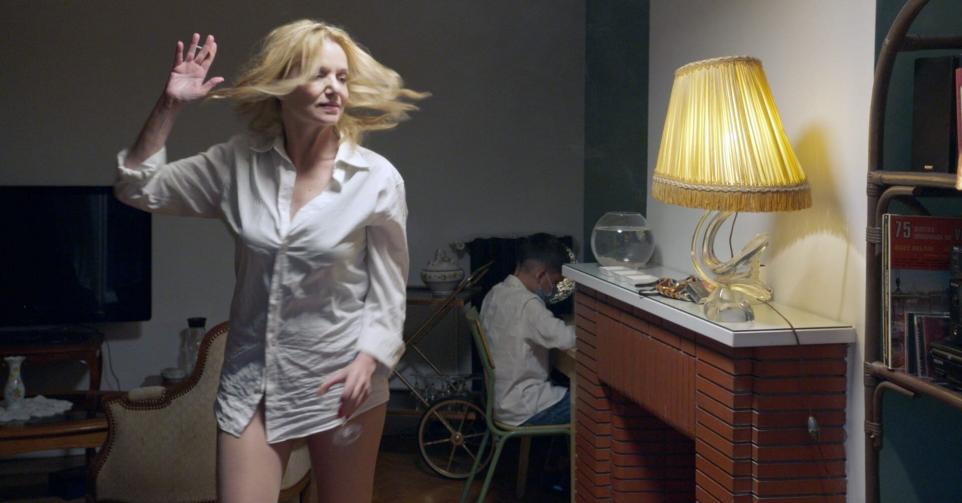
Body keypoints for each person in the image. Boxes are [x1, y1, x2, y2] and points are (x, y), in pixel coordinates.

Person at [114, 20, 426, 502]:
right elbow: (138, 188)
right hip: (252, 384)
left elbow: (389, 289)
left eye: (342, 77)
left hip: (343, 380)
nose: (334, 88)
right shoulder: (236, 163)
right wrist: (170, 104)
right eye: (319, 74)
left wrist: (369, 359)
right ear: (283, 84)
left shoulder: (377, 179)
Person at [479, 234, 575, 427]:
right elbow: (566, 338)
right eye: (555, 283)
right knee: (590, 404)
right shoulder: (528, 305)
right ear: (541, 274)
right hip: (524, 406)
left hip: (501, 401)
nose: (554, 289)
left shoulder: (495, 293)